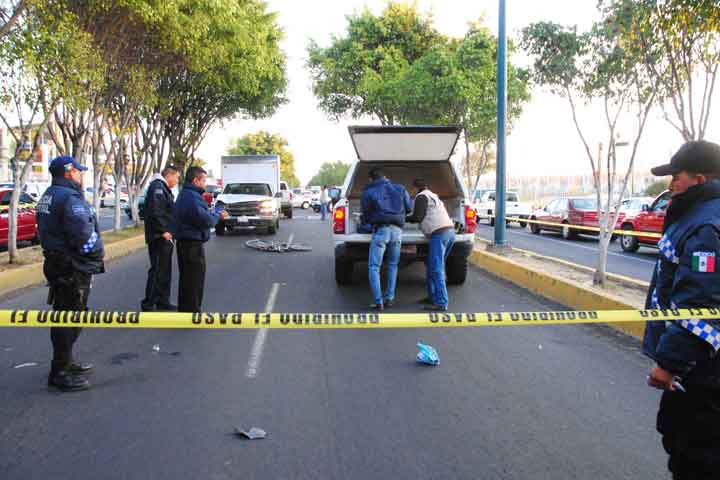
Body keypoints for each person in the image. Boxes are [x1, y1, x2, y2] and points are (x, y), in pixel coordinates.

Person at [642, 140, 720, 480]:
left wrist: (669, 363)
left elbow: (702, 304)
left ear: (700, 180)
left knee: (694, 453)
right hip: (700, 367)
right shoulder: (697, 214)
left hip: (703, 371)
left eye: (677, 176)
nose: (671, 183)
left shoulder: (706, 225)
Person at [36, 156, 105, 392]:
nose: (81, 175)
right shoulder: (70, 198)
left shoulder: (49, 194)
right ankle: (60, 372)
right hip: (72, 266)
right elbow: (83, 237)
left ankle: (66, 361)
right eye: (78, 171)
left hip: (57, 262)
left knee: (66, 315)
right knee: (70, 317)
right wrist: (97, 253)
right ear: (68, 172)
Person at [173, 166, 228, 313]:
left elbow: (199, 215)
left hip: (186, 243)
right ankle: (192, 312)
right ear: (195, 180)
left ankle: (186, 310)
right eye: (203, 180)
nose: (205, 184)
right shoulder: (192, 197)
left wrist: (212, 213)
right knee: (194, 281)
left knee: (187, 280)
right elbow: (205, 220)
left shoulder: (186, 194)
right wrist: (218, 215)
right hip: (192, 244)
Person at [360, 168, 412, 310]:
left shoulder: (369, 191)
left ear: (371, 179)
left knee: (374, 267)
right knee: (393, 265)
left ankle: (378, 302)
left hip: (381, 230)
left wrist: (366, 223)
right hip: (397, 231)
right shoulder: (400, 188)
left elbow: (365, 214)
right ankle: (389, 298)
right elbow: (409, 208)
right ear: (385, 177)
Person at [406, 179, 455, 312]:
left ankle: (441, 303)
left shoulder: (421, 196)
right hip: (449, 232)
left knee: (436, 269)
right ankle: (432, 297)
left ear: (415, 188)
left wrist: (401, 218)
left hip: (439, 234)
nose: (412, 193)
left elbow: (417, 217)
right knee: (432, 266)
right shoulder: (433, 195)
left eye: (412, 190)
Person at [141, 165, 180, 312]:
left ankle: (162, 301)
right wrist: (163, 231)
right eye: (176, 177)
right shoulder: (158, 187)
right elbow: (155, 211)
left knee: (165, 270)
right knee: (157, 270)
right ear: (169, 175)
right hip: (159, 237)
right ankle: (148, 303)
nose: (177, 181)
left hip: (165, 236)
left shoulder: (163, 188)